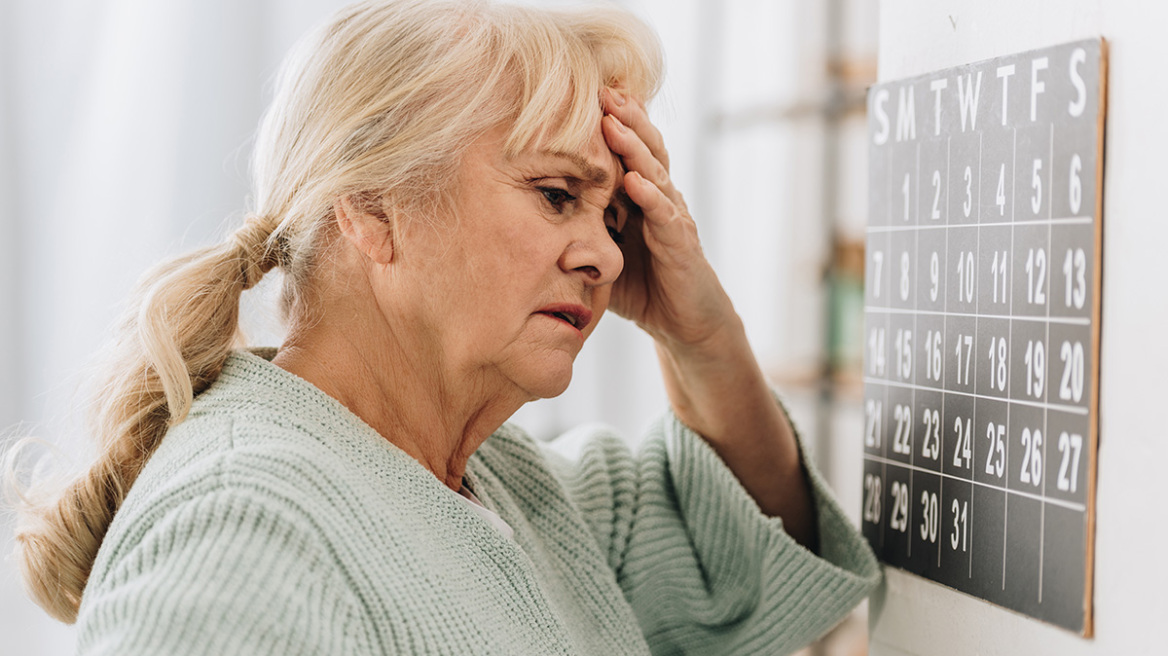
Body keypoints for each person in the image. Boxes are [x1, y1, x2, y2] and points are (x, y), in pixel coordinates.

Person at [10, 0, 879, 653]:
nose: (609, 259)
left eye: (612, 217)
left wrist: (701, 334)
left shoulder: (517, 491)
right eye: (555, 195)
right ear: (373, 208)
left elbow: (745, 557)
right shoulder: (242, 527)